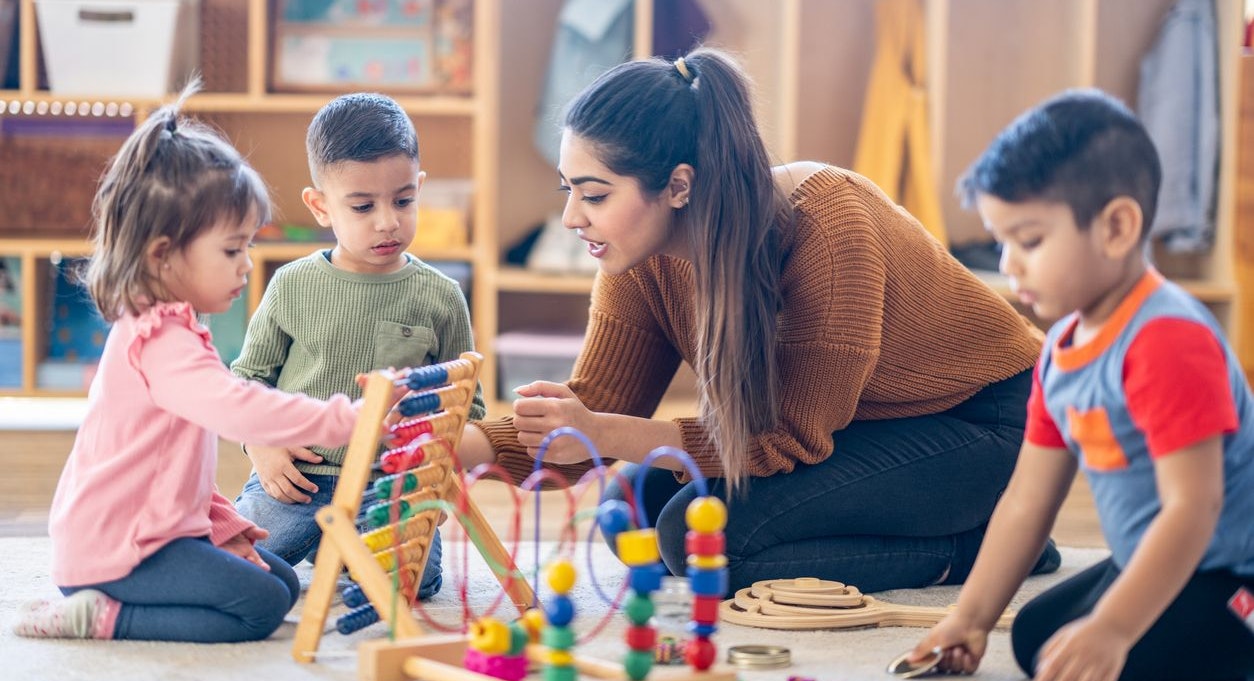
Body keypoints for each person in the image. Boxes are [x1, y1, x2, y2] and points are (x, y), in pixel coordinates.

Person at [457, 47, 1059, 594]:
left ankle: (983, 548)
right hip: (860, 424)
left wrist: (603, 432)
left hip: (990, 423)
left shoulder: (828, 227)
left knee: (704, 545)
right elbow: (595, 407)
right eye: (569, 190)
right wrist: (466, 447)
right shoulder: (639, 258)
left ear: (678, 186)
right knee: (632, 510)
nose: (569, 218)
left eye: (594, 195)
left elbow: (787, 438)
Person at [908, 90, 1254, 681]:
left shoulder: (1167, 339)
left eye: (1031, 240)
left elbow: (1191, 511)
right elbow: (1025, 500)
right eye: (1002, 240)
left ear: (1117, 227)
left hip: (1230, 576)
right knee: (1042, 642)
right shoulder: (1064, 345)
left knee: (1110, 669)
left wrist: (1114, 629)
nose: (1010, 265)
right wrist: (970, 617)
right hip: (1156, 560)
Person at [12, 84, 369, 643]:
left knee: (275, 578)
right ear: (162, 254)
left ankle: (122, 597)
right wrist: (349, 418)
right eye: (232, 250)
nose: (247, 266)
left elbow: (176, 471)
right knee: (260, 608)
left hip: (150, 531)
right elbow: (240, 411)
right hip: (117, 551)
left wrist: (222, 529)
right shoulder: (160, 341)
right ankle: (102, 616)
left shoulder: (173, 326)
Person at [231, 92, 485, 601]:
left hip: (388, 489)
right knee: (233, 565)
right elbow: (244, 381)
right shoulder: (292, 284)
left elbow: (468, 408)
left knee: (412, 584)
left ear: (420, 189)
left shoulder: (442, 296)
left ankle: (340, 549)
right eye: (363, 206)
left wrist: (425, 464)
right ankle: (326, 543)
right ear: (320, 206)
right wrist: (261, 445)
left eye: (403, 200)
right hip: (297, 479)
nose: (387, 221)